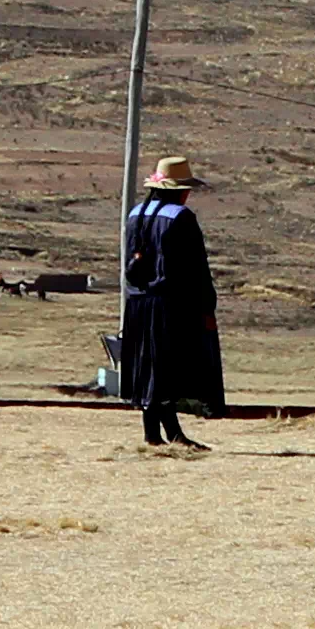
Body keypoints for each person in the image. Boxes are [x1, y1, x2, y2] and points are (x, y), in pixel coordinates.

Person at [119, 155, 224, 449]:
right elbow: (196, 267)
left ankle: (159, 433)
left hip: (138, 302)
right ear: (180, 190)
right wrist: (207, 306)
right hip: (169, 304)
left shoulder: (135, 214)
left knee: (148, 368)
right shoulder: (181, 217)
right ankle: (165, 435)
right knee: (166, 370)